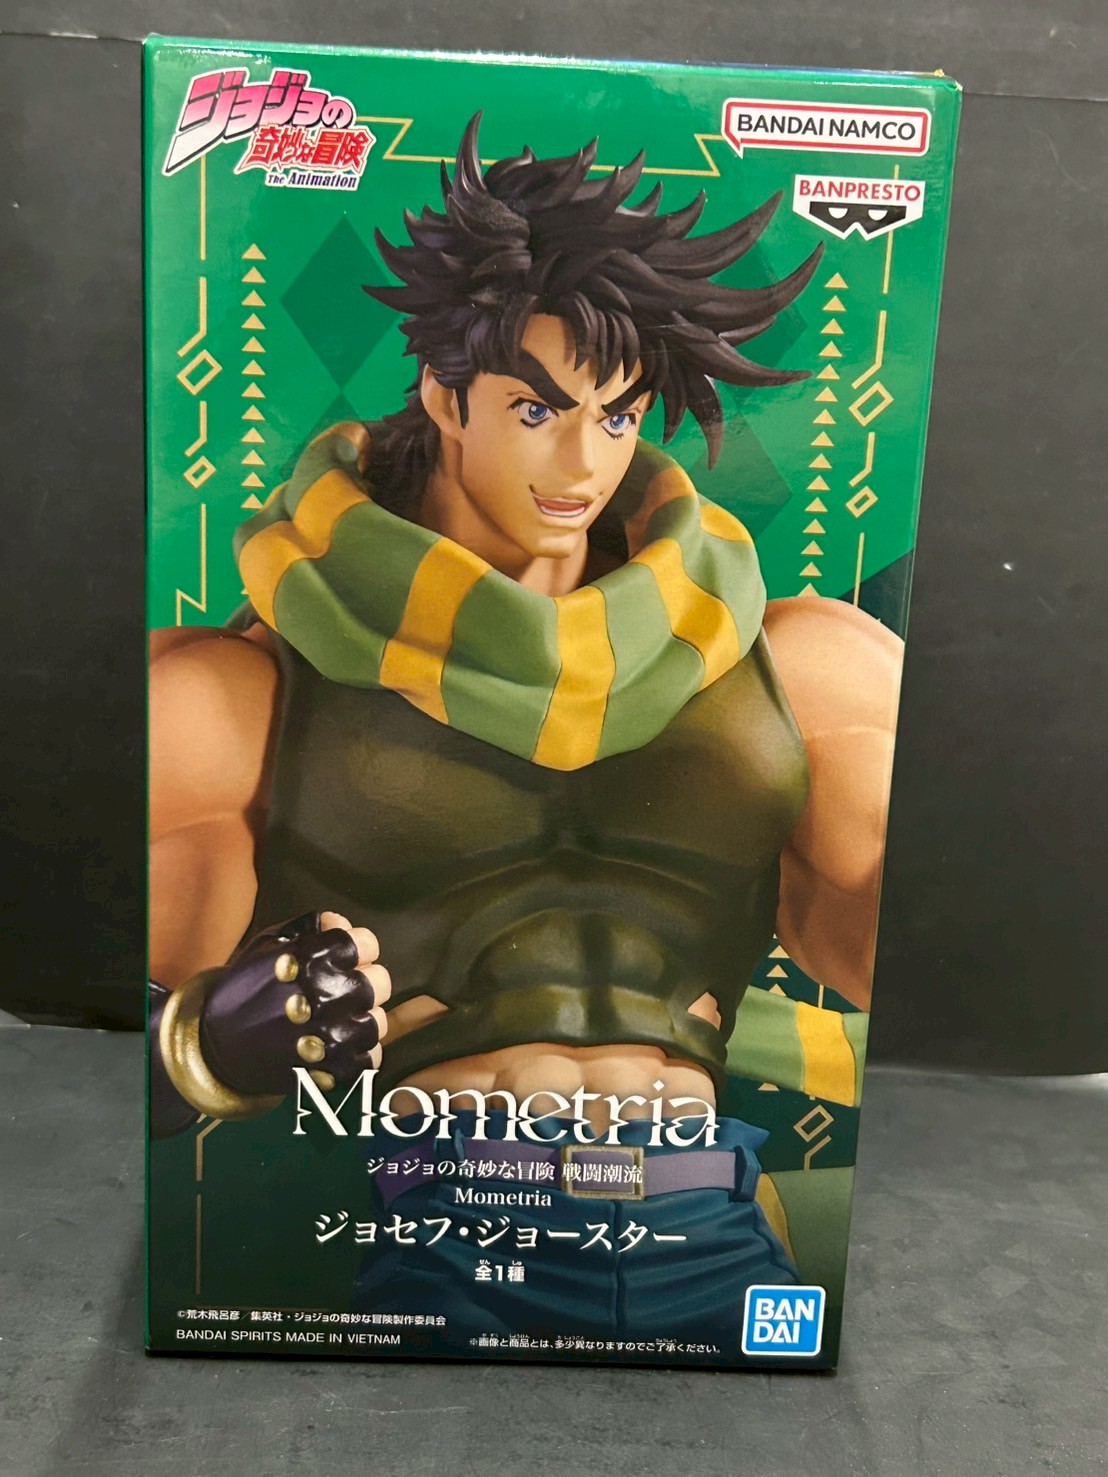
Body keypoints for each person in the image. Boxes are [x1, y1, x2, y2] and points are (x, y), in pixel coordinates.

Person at [149, 116, 901, 1339]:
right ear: (444, 393)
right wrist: (208, 1046)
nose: (581, 463)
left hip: (709, 1216)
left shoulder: (798, 668)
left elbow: (895, 959)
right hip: (457, 1228)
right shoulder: (241, 692)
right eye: (537, 409)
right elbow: (114, 1055)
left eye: (617, 416)